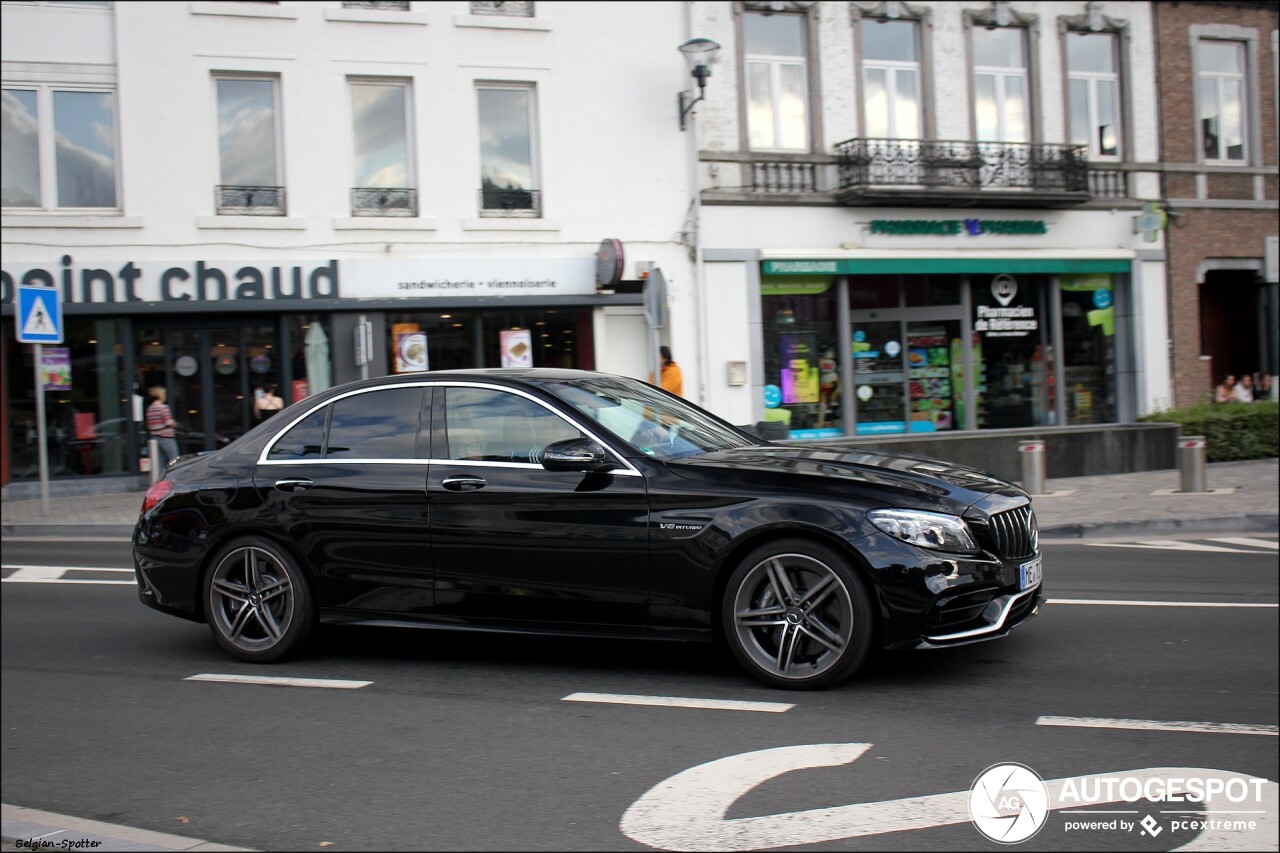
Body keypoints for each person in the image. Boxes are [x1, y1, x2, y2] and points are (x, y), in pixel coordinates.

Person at [146, 386, 180, 474]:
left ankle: (160, 481)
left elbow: (150, 424)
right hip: (166, 438)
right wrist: (175, 424)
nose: (165, 396)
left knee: (158, 463)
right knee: (174, 461)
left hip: (155, 438)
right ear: (160, 395)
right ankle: (175, 479)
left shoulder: (150, 408)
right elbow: (169, 422)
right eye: (164, 394)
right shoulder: (163, 407)